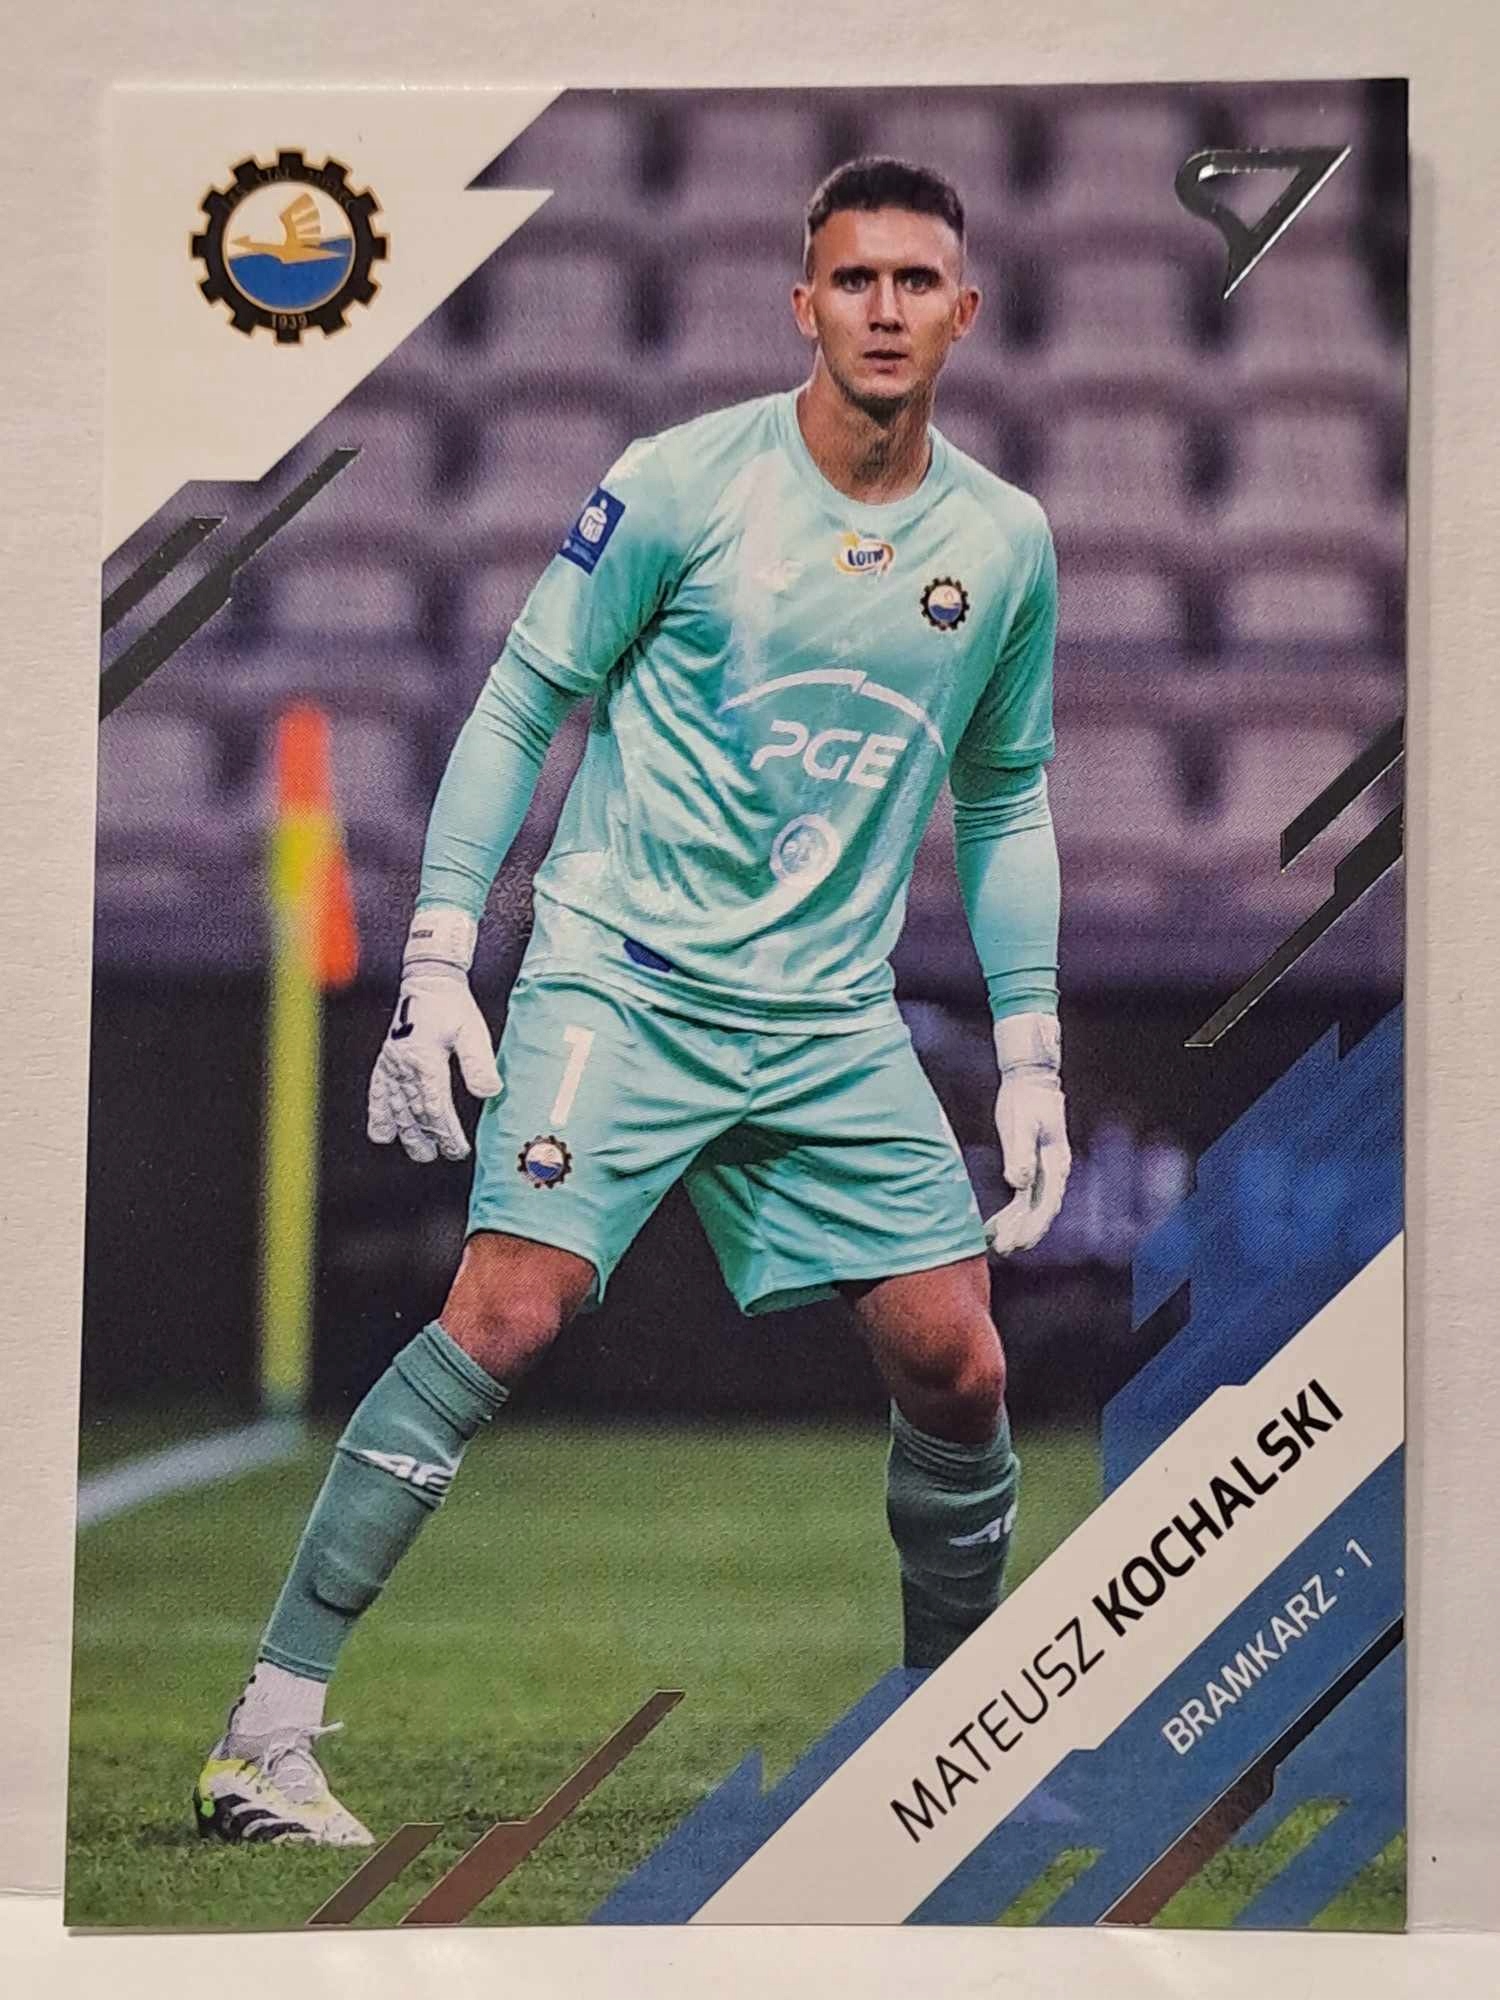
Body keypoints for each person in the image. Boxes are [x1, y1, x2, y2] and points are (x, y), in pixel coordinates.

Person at [194, 156, 1071, 1847]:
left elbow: (1007, 794)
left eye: (917, 281)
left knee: (960, 1367)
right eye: (855, 278)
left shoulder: (1006, 542)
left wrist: (1028, 1050)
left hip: (827, 1017)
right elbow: (522, 703)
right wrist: (438, 959)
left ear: (965, 312)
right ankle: (265, 1739)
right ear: (802, 304)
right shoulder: (678, 485)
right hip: (626, 975)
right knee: (505, 1314)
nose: (885, 308)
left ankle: (951, 1753)